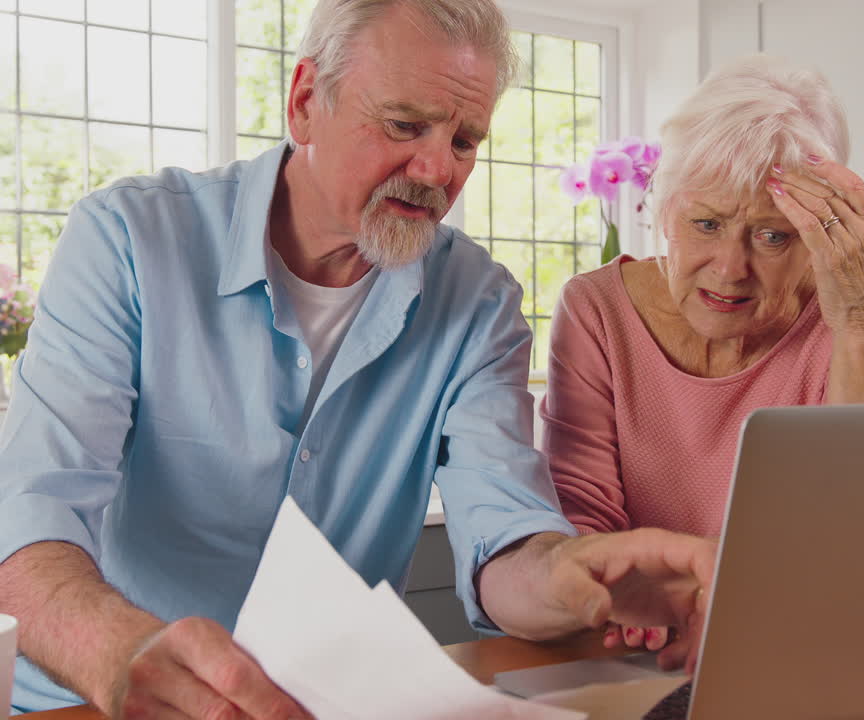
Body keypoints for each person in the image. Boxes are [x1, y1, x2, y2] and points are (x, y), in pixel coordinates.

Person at [0, 1, 714, 716]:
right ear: (306, 102)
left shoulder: (478, 302)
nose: (438, 170)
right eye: (405, 125)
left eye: (466, 140)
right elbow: (29, 520)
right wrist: (122, 654)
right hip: (94, 701)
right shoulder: (127, 238)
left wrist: (569, 576)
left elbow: (503, 535)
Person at [540, 55, 864, 651]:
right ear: (666, 210)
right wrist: (639, 595)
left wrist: (859, 324)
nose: (730, 269)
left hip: (791, 642)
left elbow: (857, 532)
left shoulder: (862, 328)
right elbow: (580, 515)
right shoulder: (597, 311)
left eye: (773, 236)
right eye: (707, 224)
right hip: (626, 639)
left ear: (819, 235)